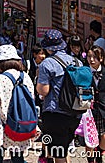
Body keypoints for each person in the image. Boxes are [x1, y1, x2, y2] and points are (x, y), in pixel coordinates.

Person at [36, 29, 82, 163]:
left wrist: (39, 80)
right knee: (64, 148)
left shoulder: (47, 64)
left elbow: (43, 91)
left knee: (58, 152)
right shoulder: (77, 62)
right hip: (75, 112)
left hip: (55, 113)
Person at [0, 45, 35, 163]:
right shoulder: (26, 77)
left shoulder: (0, 78)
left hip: (2, 125)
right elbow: (31, 97)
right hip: (21, 122)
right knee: (18, 157)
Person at [87, 45, 105, 163]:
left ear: (102, 58)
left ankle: (99, 153)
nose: (92, 59)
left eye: (95, 57)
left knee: (103, 138)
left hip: (103, 109)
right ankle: (90, 160)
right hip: (88, 110)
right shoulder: (84, 72)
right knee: (89, 139)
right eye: (89, 56)